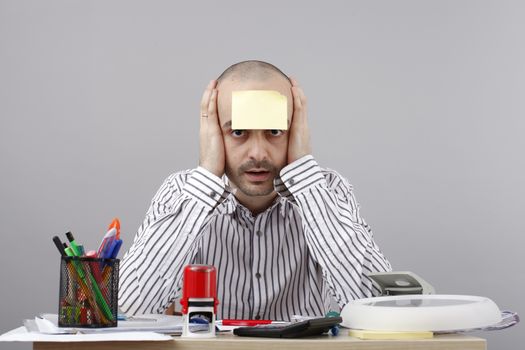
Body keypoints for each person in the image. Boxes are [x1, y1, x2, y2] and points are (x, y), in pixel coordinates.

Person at [118, 60, 392, 320]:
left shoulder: (329, 191)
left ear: (296, 129)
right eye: (238, 132)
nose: (258, 153)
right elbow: (126, 310)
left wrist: (306, 179)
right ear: (213, 131)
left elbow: (380, 308)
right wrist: (206, 178)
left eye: (274, 131)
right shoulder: (181, 192)